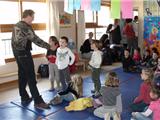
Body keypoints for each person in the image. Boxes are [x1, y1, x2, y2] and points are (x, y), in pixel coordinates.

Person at [11, 9, 51, 109]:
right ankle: (38, 102)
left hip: (17, 52)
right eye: (32, 17)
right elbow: (35, 39)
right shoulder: (25, 26)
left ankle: (24, 96)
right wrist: (49, 46)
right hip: (23, 53)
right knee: (31, 76)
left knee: (22, 74)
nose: (33, 19)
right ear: (28, 16)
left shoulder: (17, 24)